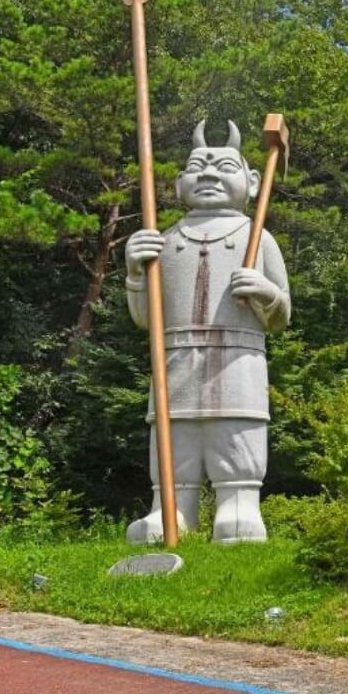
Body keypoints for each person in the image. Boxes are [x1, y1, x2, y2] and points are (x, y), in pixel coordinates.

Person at [123, 120, 290, 543]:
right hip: (176, 358)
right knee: (174, 441)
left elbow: (282, 314)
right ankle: (171, 511)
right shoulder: (164, 239)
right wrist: (134, 272)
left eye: (224, 167)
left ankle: (239, 506)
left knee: (236, 436)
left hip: (238, 360)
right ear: (179, 184)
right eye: (197, 166)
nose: (210, 175)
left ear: (252, 183)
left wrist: (264, 292)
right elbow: (146, 318)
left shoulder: (258, 237)